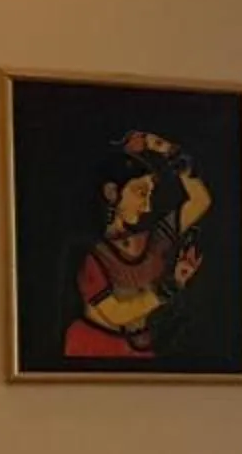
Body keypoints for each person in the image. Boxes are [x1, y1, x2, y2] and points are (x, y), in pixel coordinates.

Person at [64, 130, 211, 361]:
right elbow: (117, 313)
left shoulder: (154, 240)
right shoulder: (92, 256)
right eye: (141, 193)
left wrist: (165, 149)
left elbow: (200, 200)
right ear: (112, 192)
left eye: (150, 194)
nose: (147, 207)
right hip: (93, 350)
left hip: (141, 350)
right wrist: (169, 287)